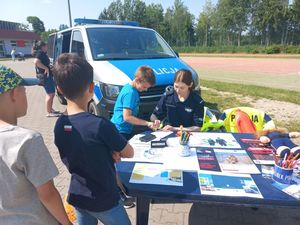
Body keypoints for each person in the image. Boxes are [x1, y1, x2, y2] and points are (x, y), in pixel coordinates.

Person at [52, 53, 134, 225]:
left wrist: (106, 150)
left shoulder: (59, 124)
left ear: (59, 89)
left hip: (78, 196)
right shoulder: (100, 125)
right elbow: (129, 152)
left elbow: (80, 151)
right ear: (91, 87)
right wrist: (112, 150)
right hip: (104, 199)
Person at [0, 65, 72, 225]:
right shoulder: (26, 140)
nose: (26, 94)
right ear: (13, 93)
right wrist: (67, 223)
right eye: (24, 89)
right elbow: (48, 194)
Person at [111, 65, 160, 140]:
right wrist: (147, 123)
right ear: (137, 80)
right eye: (144, 87)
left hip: (121, 129)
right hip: (120, 131)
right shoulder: (130, 93)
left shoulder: (129, 87)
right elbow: (127, 117)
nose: (146, 90)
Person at [32, 40, 60, 117]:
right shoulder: (40, 53)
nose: (47, 47)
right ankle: (49, 112)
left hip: (46, 76)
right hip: (46, 77)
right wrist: (46, 68)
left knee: (50, 94)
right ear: (43, 47)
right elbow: (36, 61)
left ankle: (50, 109)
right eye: (46, 46)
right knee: (50, 94)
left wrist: (49, 67)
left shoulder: (41, 53)